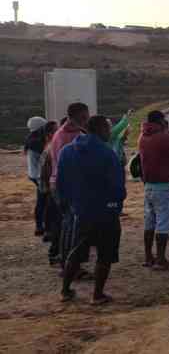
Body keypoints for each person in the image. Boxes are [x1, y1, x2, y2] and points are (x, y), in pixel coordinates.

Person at [57, 115, 126, 305]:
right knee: (105, 255)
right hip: (106, 213)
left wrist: (70, 206)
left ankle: (65, 290)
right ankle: (97, 295)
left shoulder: (67, 151)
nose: (110, 132)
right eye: (107, 128)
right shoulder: (107, 154)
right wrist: (115, 206)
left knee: (77, 252)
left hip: (81, 211)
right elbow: (117, 187)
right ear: (101, 130)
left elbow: (61, 184)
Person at [50, 103, 90, 274]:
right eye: (84, 117)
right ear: (77, 117)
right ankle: (71, 266)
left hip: (60, 185)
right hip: (69, 187)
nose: (87, 120)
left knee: (67, 225)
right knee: (73, 227)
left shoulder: (62, 133)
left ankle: (67, 262)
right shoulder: (71, 136)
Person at [138, 110, 169, 270]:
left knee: (149, 223)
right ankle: (161, 259)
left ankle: (149, 256)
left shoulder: (142, 136)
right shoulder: (164, 138)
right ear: (160, 121)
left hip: (149, 186)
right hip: (165, 186)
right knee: (163, 224)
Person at [37, 121, 61, 265]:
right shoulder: (51, 149)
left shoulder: (50, 148)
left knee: (57, 224)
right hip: (53, 192)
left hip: (51, 192)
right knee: (58, 225)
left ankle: (55, 253)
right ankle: (55, 254)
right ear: (50, 134)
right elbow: (45, 174)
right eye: (56, 131)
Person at [24, 116, 49, 236]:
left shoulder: (32, 139)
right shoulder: (37, 142)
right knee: (43, 201)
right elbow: (44, 159)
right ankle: (40, 226)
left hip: (34, 174)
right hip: (39, 176)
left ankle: (41, 225)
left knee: (43, 201)